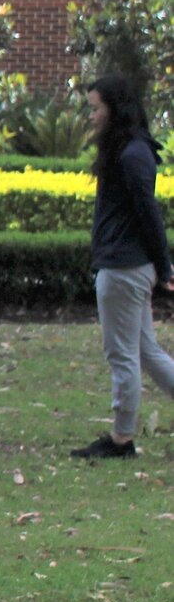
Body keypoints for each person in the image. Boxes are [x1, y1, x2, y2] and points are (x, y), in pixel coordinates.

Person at [75, 72, 174, 459]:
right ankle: (122, 435)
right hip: (129, 265)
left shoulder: (131, 155)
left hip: (123, 269)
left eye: (96, 109)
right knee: (146, 351)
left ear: (114, 108)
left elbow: (149, 214)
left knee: (123, 356)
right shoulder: (132, 150)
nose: (93, 116)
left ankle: (121, 439)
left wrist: (164, 266)